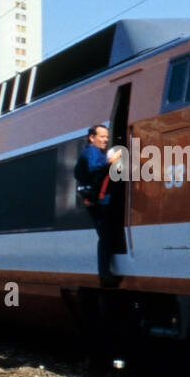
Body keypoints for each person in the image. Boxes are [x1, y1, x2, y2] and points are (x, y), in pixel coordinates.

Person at [74, 123, 124, 287]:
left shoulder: (93, 152)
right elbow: (97, 170)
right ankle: (104, 275)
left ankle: (106, 272)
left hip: (96, 201)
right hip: (97, 203)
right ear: (92, 138)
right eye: (102, 137)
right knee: (105, 235)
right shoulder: (92, 152)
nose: (105, 140)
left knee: (106, 234)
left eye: (107, 137)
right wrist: (111, 161)